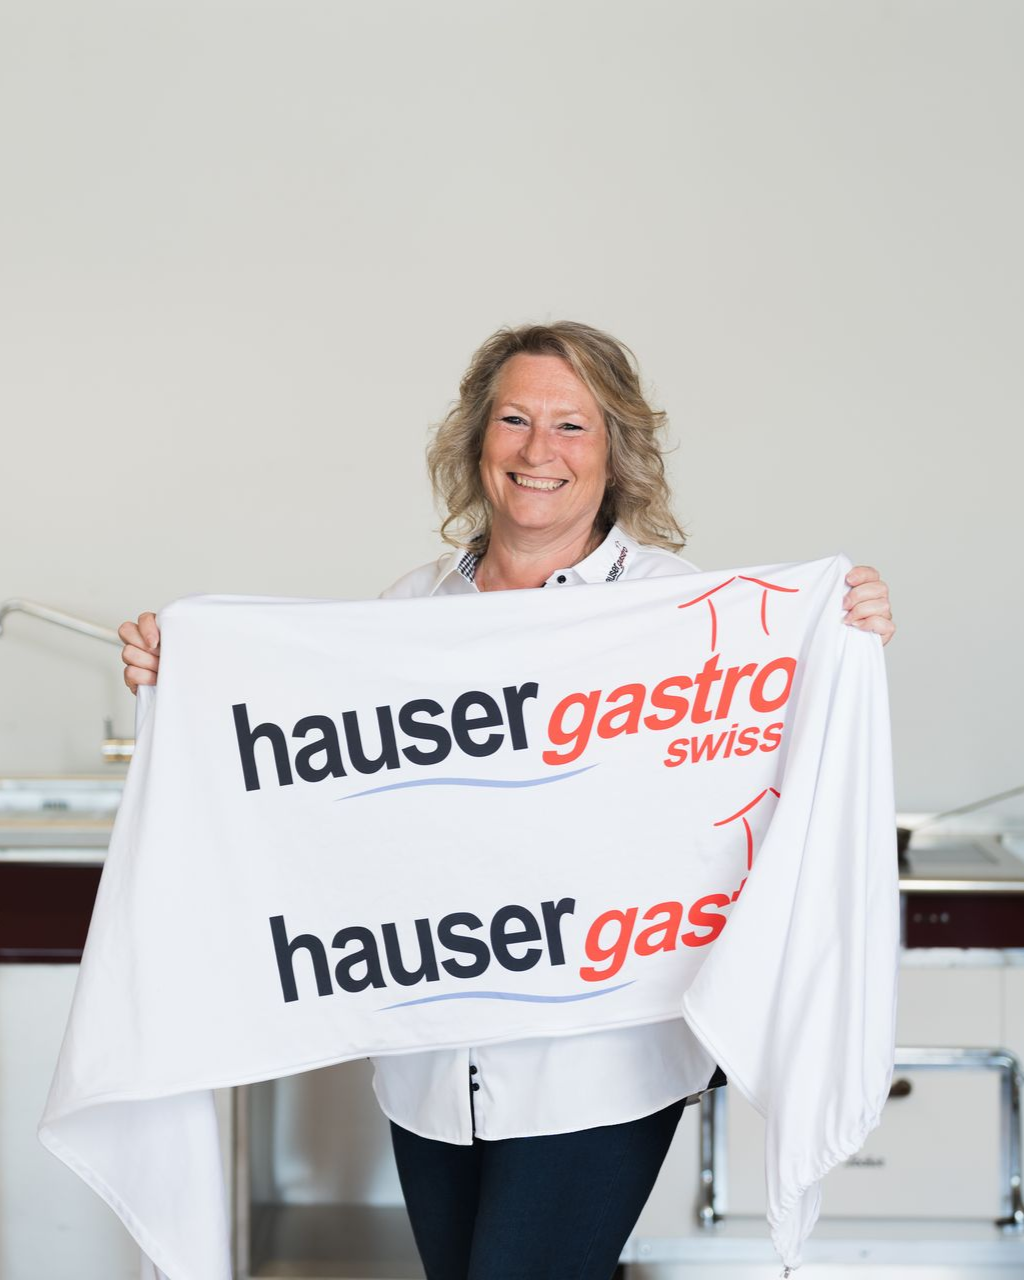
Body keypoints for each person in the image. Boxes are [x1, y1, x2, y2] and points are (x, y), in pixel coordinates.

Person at [119, 321, 895, 1280]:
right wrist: (192, 681)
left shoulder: (684, 611)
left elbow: (762, 767)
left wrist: (838, 640)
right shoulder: (409, 610)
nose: (538, 450)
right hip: (430, 1068)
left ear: (614, 451)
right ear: (477, 439)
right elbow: (327, 797)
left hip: (597, 1070)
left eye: (571, 425)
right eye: (514, 420)